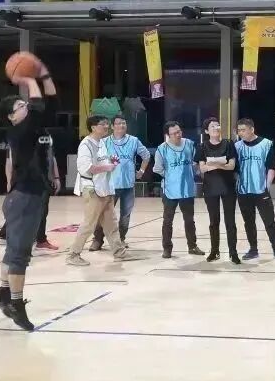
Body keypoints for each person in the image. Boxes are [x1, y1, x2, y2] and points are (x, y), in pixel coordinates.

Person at [0, 69, 58, 331]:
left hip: (30, 195)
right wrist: (31, 80)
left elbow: (50, 104)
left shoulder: (35, 128)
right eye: (20, 106)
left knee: (14, 250)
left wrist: (46, 77)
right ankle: (16, 304)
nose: (25, 107)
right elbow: (39, 104)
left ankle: (3, 291)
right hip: (24, 197)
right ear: (12, 117)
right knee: (20, 255)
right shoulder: (19, 131)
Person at [65, 116, 140, 267]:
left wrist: (111, 161)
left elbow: (102, 161)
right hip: (93, 189)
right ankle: (73, 254)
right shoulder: (86, 145)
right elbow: (86, 168)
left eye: (107, 124)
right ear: (93, 127)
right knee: (89, 224)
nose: (106, 126)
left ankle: (119, 252)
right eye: (103, 124)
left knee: (111, 224)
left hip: (105, 188)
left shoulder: (102, 143)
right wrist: (107, 167)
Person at [0, 134, 61, 254]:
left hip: (42, 181)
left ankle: (40, 239)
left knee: (41, 210)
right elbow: (9, 161)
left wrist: (56, 177)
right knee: (21, 209)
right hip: (23, 181)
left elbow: (51, 157)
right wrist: (9, 181)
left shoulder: (45, 137)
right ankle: (12, 236)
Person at [89, 114, 150, 251]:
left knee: (125, 215)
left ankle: (121, 239)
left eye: (124, 123)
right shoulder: (104, 142)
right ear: (112, 126)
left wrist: (141, 171)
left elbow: (146, 156)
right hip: (110, 185)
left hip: (128, 185)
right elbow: (96, 160)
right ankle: (97, 240)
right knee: (103, 214)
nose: (121, 126)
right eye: (118, 123)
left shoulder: (134, 141)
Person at [234, 118, 275, 261]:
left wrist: (266, 187)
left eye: (243, 130)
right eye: (239, 130)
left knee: (269, 221)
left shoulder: (266, 144)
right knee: (249, 222)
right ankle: (253, 250)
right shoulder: (237, 146)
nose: (240, 133)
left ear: (252, 129)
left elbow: (271, 167)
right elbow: (235, 169)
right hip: (244, 191)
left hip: (261, 190)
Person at [154, 120, 202, 259]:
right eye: (174, 133)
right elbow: (157, 168)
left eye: (179, 131)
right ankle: (167, 248)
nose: (178, 134)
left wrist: (193, 171)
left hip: (187, 189)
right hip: (170, 191)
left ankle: (192, 246)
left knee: (189, 220)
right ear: (167, 135)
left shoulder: (189, 144)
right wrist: (171, 176)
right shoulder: (162, 149)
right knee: (167, 221)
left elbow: (196, 163)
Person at [195, 117, 239, 264]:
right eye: (213, 126)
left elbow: (232, 166)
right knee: (214, 221)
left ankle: (233, 252)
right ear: (207, 131)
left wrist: (213, 164)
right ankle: (214, 251)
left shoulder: (228, 143)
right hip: (210, 188)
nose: (216, 128)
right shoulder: (202, 147)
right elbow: (202, 168)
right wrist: (220, 164)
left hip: (228, 187)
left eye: (218, 125)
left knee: (230, 221)